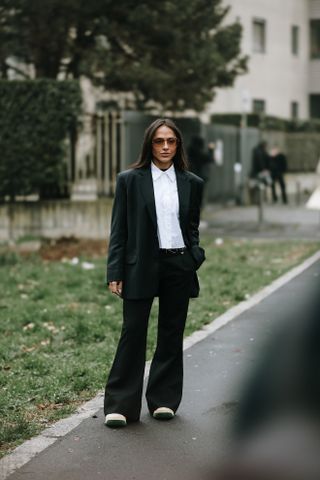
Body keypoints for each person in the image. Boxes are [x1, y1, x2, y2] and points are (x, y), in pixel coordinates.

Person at [104, 118, 205, 428]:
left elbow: (191, 228)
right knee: (133, 332)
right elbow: (119, 229)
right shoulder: (129, 180)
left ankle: (163, 400)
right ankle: (120, 405)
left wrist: (194, 256)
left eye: (170, 141)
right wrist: (115, 269)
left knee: (171, 334)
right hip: (140, 265)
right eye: (159, 141)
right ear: (149, 144)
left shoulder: (192, 183)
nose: (164, 147)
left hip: (178, 264)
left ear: (178, 146)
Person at [187, 135, 214, 209]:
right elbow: (210, 159)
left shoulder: (189, 152)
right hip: (198, 177)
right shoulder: (198, 153)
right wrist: (211, 150)